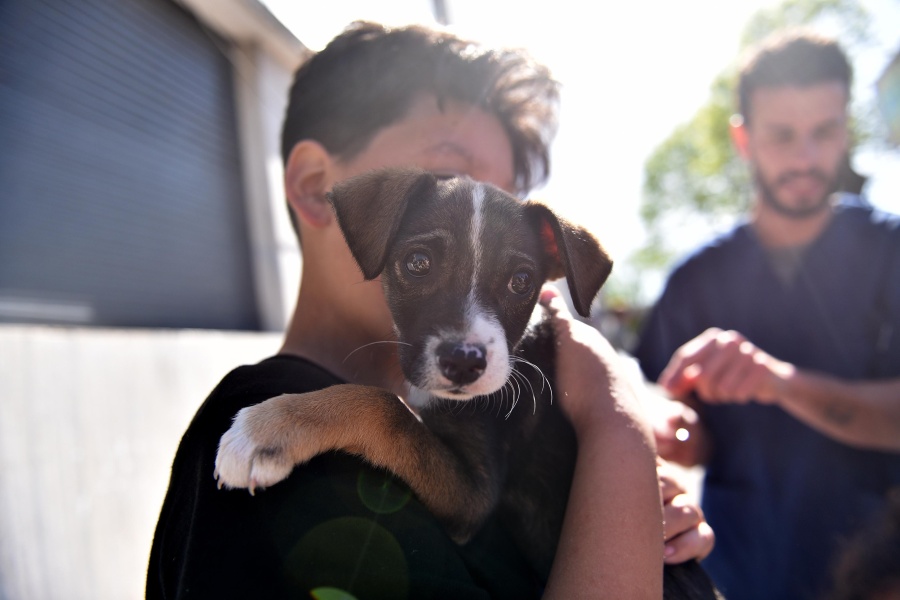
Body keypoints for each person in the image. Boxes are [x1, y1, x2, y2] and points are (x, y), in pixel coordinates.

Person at [147, 20, 715, 600]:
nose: (479, 212)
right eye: (452, 178)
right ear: (319, 187)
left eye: (503, 198)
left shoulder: (483, 414)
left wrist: (627, 507)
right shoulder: (280, 427)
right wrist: (614, 419)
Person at [635, 29, 900, 600]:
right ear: (744, 138)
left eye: (824, 132)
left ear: (846, 128)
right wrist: (675, 429)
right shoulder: (694, 280)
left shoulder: (890, 254)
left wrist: (779, 383)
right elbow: (669, 410)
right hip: (735, 576)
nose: (805, 158)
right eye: (782, 135)